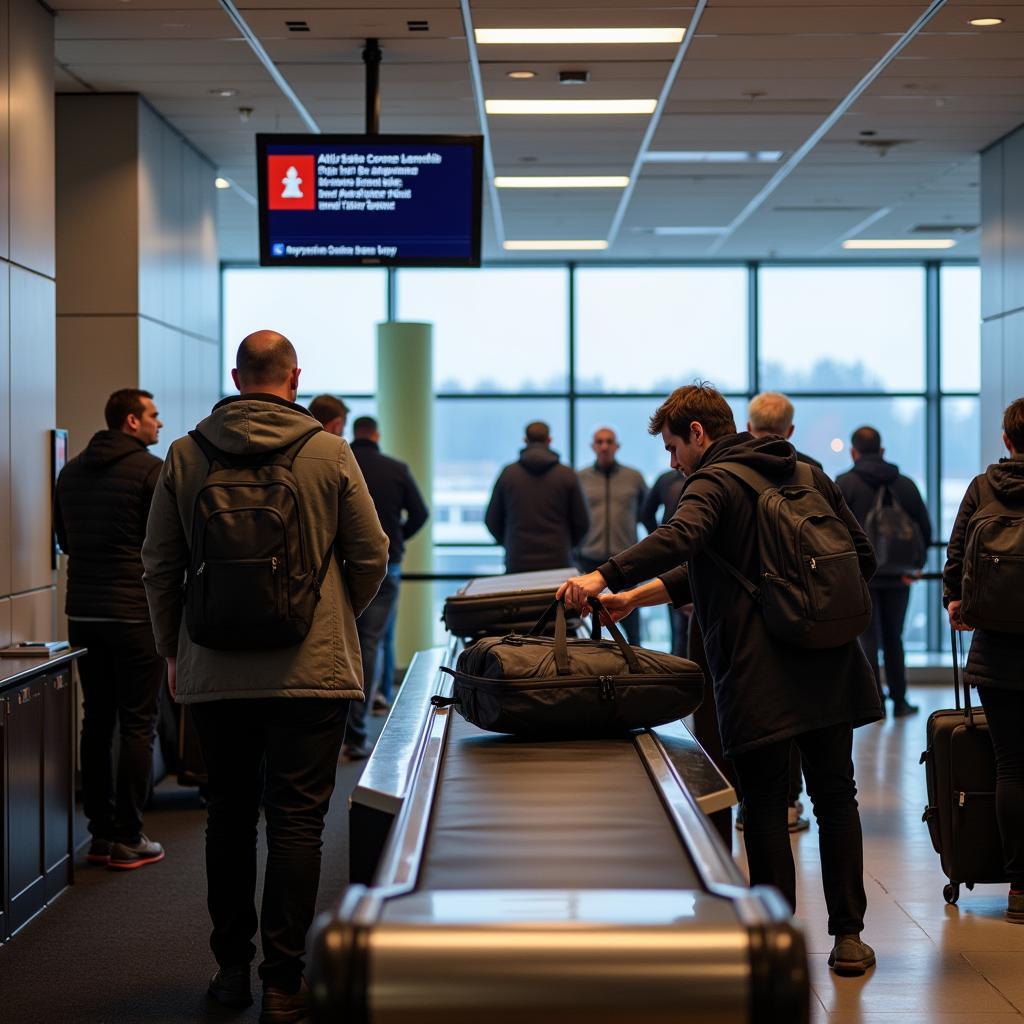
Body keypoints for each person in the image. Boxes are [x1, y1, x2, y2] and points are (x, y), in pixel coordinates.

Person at [558, 383, 882, 975]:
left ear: (698, 434)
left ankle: (776, 943)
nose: (672, 461)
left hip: (761, 670)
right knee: (837, 798)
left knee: (762, 806)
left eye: (673, 447)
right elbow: (859, 556)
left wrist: (602, 576)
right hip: (830, 661)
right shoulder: (804, 471)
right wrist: (638, 596)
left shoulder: (711, 480)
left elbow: (682, 538)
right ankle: (850, 937)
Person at [141, 331, 389, 1020]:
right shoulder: (329, 451)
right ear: (294, 377)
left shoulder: (186, 454)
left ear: (236, 376)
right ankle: (284, 982)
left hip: (215, 673)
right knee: (297, 824)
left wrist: (173, 649)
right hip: (309, 673)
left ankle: (229, 974)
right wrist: (330, 614)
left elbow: (158, 565)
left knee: (226, 820)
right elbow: (372, 554)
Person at [53, 389, 166, 871]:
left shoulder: (70, 471)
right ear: (131, 422)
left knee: (96, 720)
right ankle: (129, 836)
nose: (160, 424)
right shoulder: (150, 471)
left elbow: (63, 540)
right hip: (135, 614)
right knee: (138, 723)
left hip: (83, 613)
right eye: (153, 416)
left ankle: (99, 835)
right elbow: (164, 543)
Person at [944, 397, 1024, 925]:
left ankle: (1020, 888)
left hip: (996, 651)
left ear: (1006, 440)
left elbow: (955, 559)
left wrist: (958, 604)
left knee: (1011, 765)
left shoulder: (983, 487)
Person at [747, 391, 821, 832]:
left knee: (756, 717)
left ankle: (753, 802)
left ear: (748, 426)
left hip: (751, 615)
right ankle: (792, 802)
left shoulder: (730, 473)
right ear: (790, 431)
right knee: (798, 713)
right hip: (801, 613)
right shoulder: (812, 474)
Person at [342, 415, 429, 759]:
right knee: (374, 639)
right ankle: (363, 722)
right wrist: (395, 541)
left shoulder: (341, 462)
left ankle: (352, 719)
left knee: (357, 640)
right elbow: (420, 513)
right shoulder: (395, 468)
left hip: (342, 565)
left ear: (353, 433)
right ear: (377, 435)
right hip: (387, 564)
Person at [837, 426, 932, 717]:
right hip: (899, 575)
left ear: (854, 452)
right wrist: (916, 566)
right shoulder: (905, 484)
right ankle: (900, 701)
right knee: (895, 637)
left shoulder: (844, 484)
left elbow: (832, 531)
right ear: (882, 451)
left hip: (862, 575)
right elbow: (925, 528)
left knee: (867, 638)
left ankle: (873, 701)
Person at [485, 421, 589, 574]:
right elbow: (582, 523)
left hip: (518, 562)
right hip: (558, 561)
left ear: (525, 441)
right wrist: (566, 545)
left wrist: (510, 543)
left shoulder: (508, 474)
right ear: (549, 440)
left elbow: (492, 520)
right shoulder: (566, 475)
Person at [576, 427, 648, 644]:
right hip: (589, 561)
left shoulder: (634, 478)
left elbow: (646, 513)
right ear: (593, 446)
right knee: (588, 626)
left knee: (632, 628)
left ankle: (637, 675)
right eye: (600, 442)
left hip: (624, 562)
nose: (604, 446)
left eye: (609, 442)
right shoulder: (580, 478)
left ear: (617, 446)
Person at [642, 467, 687, 655]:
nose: (673, 461)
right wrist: (661, 542)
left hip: (683, 557)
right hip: (674, 559)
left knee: (683, 630)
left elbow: (645, 513)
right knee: (679, 630)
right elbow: (645, 513)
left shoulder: (703, 479)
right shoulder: (666, 480)